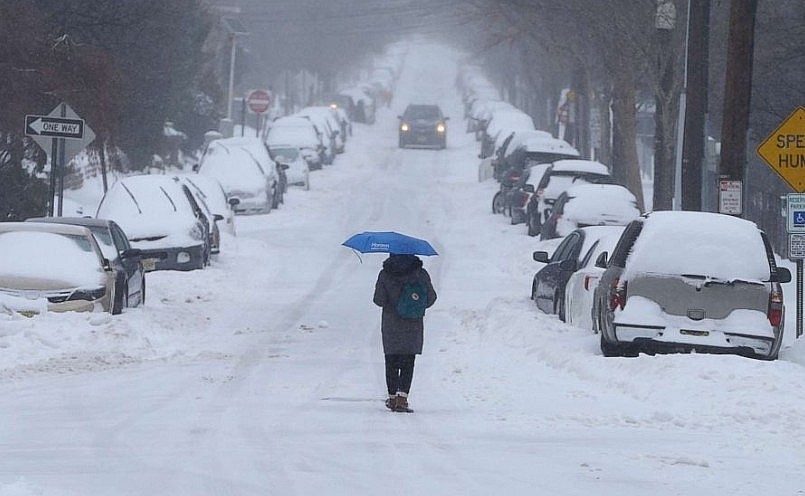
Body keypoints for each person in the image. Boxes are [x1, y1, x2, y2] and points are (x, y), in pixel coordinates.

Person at [373, 253, 437, 413]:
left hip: (391, 323)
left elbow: (378, 300)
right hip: (412, 323)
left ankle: (392, 397)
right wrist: (415, 304)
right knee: (408, 361)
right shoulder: (420, 273)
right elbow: (431, 298)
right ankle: (402, 398)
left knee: (391, 360)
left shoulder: (385, 273)